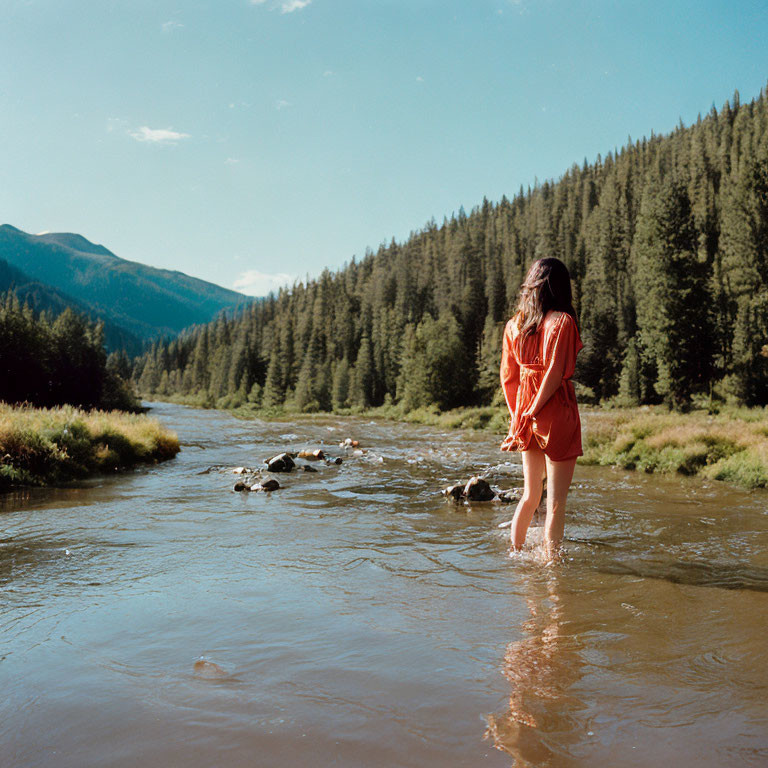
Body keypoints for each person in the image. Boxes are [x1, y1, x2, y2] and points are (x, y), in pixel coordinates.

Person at [499, 257, 583, 559]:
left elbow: (508, 378)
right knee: (556, 502)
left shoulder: (514, 325)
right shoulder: (562, 321)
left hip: (525, 413)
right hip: (554, 410)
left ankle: (516, 554)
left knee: (531, 495)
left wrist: (519, 416)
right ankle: (552, 568)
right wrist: (536, 410)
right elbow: (555, 373)